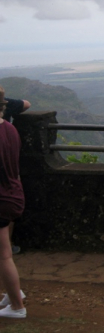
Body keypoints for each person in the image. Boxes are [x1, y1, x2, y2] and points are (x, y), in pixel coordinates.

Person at [0, 87, 26, 318]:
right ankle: (12, 292)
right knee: (4, 252)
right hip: (13, 193)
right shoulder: (9, 128)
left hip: (1, 197)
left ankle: (17, 306)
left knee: (4, 254)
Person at [1, 95, 29, 256]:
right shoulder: (9, 129)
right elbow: (26, 104)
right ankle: (8, 245)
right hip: (10, 191)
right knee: (5, 258)